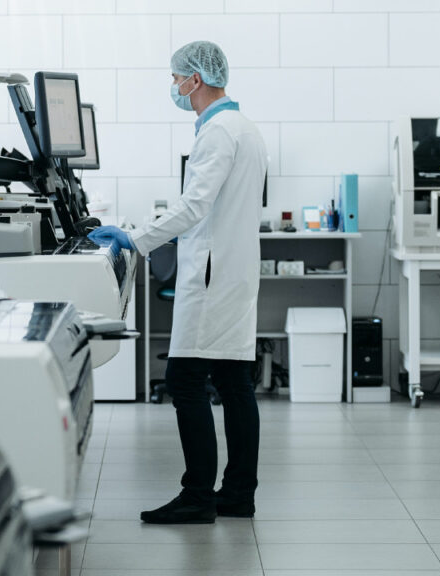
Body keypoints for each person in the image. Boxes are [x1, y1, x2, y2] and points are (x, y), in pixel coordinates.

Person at [88, 41, 268, 524]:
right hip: (233, 269)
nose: (173, 86)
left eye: (176, 77)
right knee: (233, 381)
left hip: (212, 274)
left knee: (184, 379)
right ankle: (237, 494)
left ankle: (197, 496)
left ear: (195, 79)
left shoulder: (217, 132)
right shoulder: (245, 128)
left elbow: (193, 207)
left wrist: (135, 238)